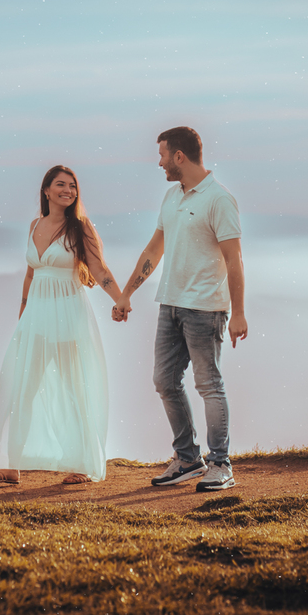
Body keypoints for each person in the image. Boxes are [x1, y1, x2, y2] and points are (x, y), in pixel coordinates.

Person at [112, 126, 248, 492]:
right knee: (164, 381)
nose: (158, 163)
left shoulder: (219, 199)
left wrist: (238, 313)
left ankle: (221, 464)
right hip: (169, 305)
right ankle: (188, 458)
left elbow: (233, 259)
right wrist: (126, 294)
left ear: (179, 156)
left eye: (161, 155)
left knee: (209, 384)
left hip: (205, 309)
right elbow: (153, 250)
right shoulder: (172, 197)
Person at [0, 165, 126, 485]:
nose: (68, 190)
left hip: (69, 313)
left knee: (74, 387)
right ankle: (10, 465)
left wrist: (120, 298)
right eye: (61, 184)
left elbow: (99, 269)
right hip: (37, 316)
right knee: (25, 386)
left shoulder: (80, 227)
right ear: (46, 191)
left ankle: (82, 465)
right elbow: (31, 274)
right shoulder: (35, 224)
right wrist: (23, 314)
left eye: (73, 186)